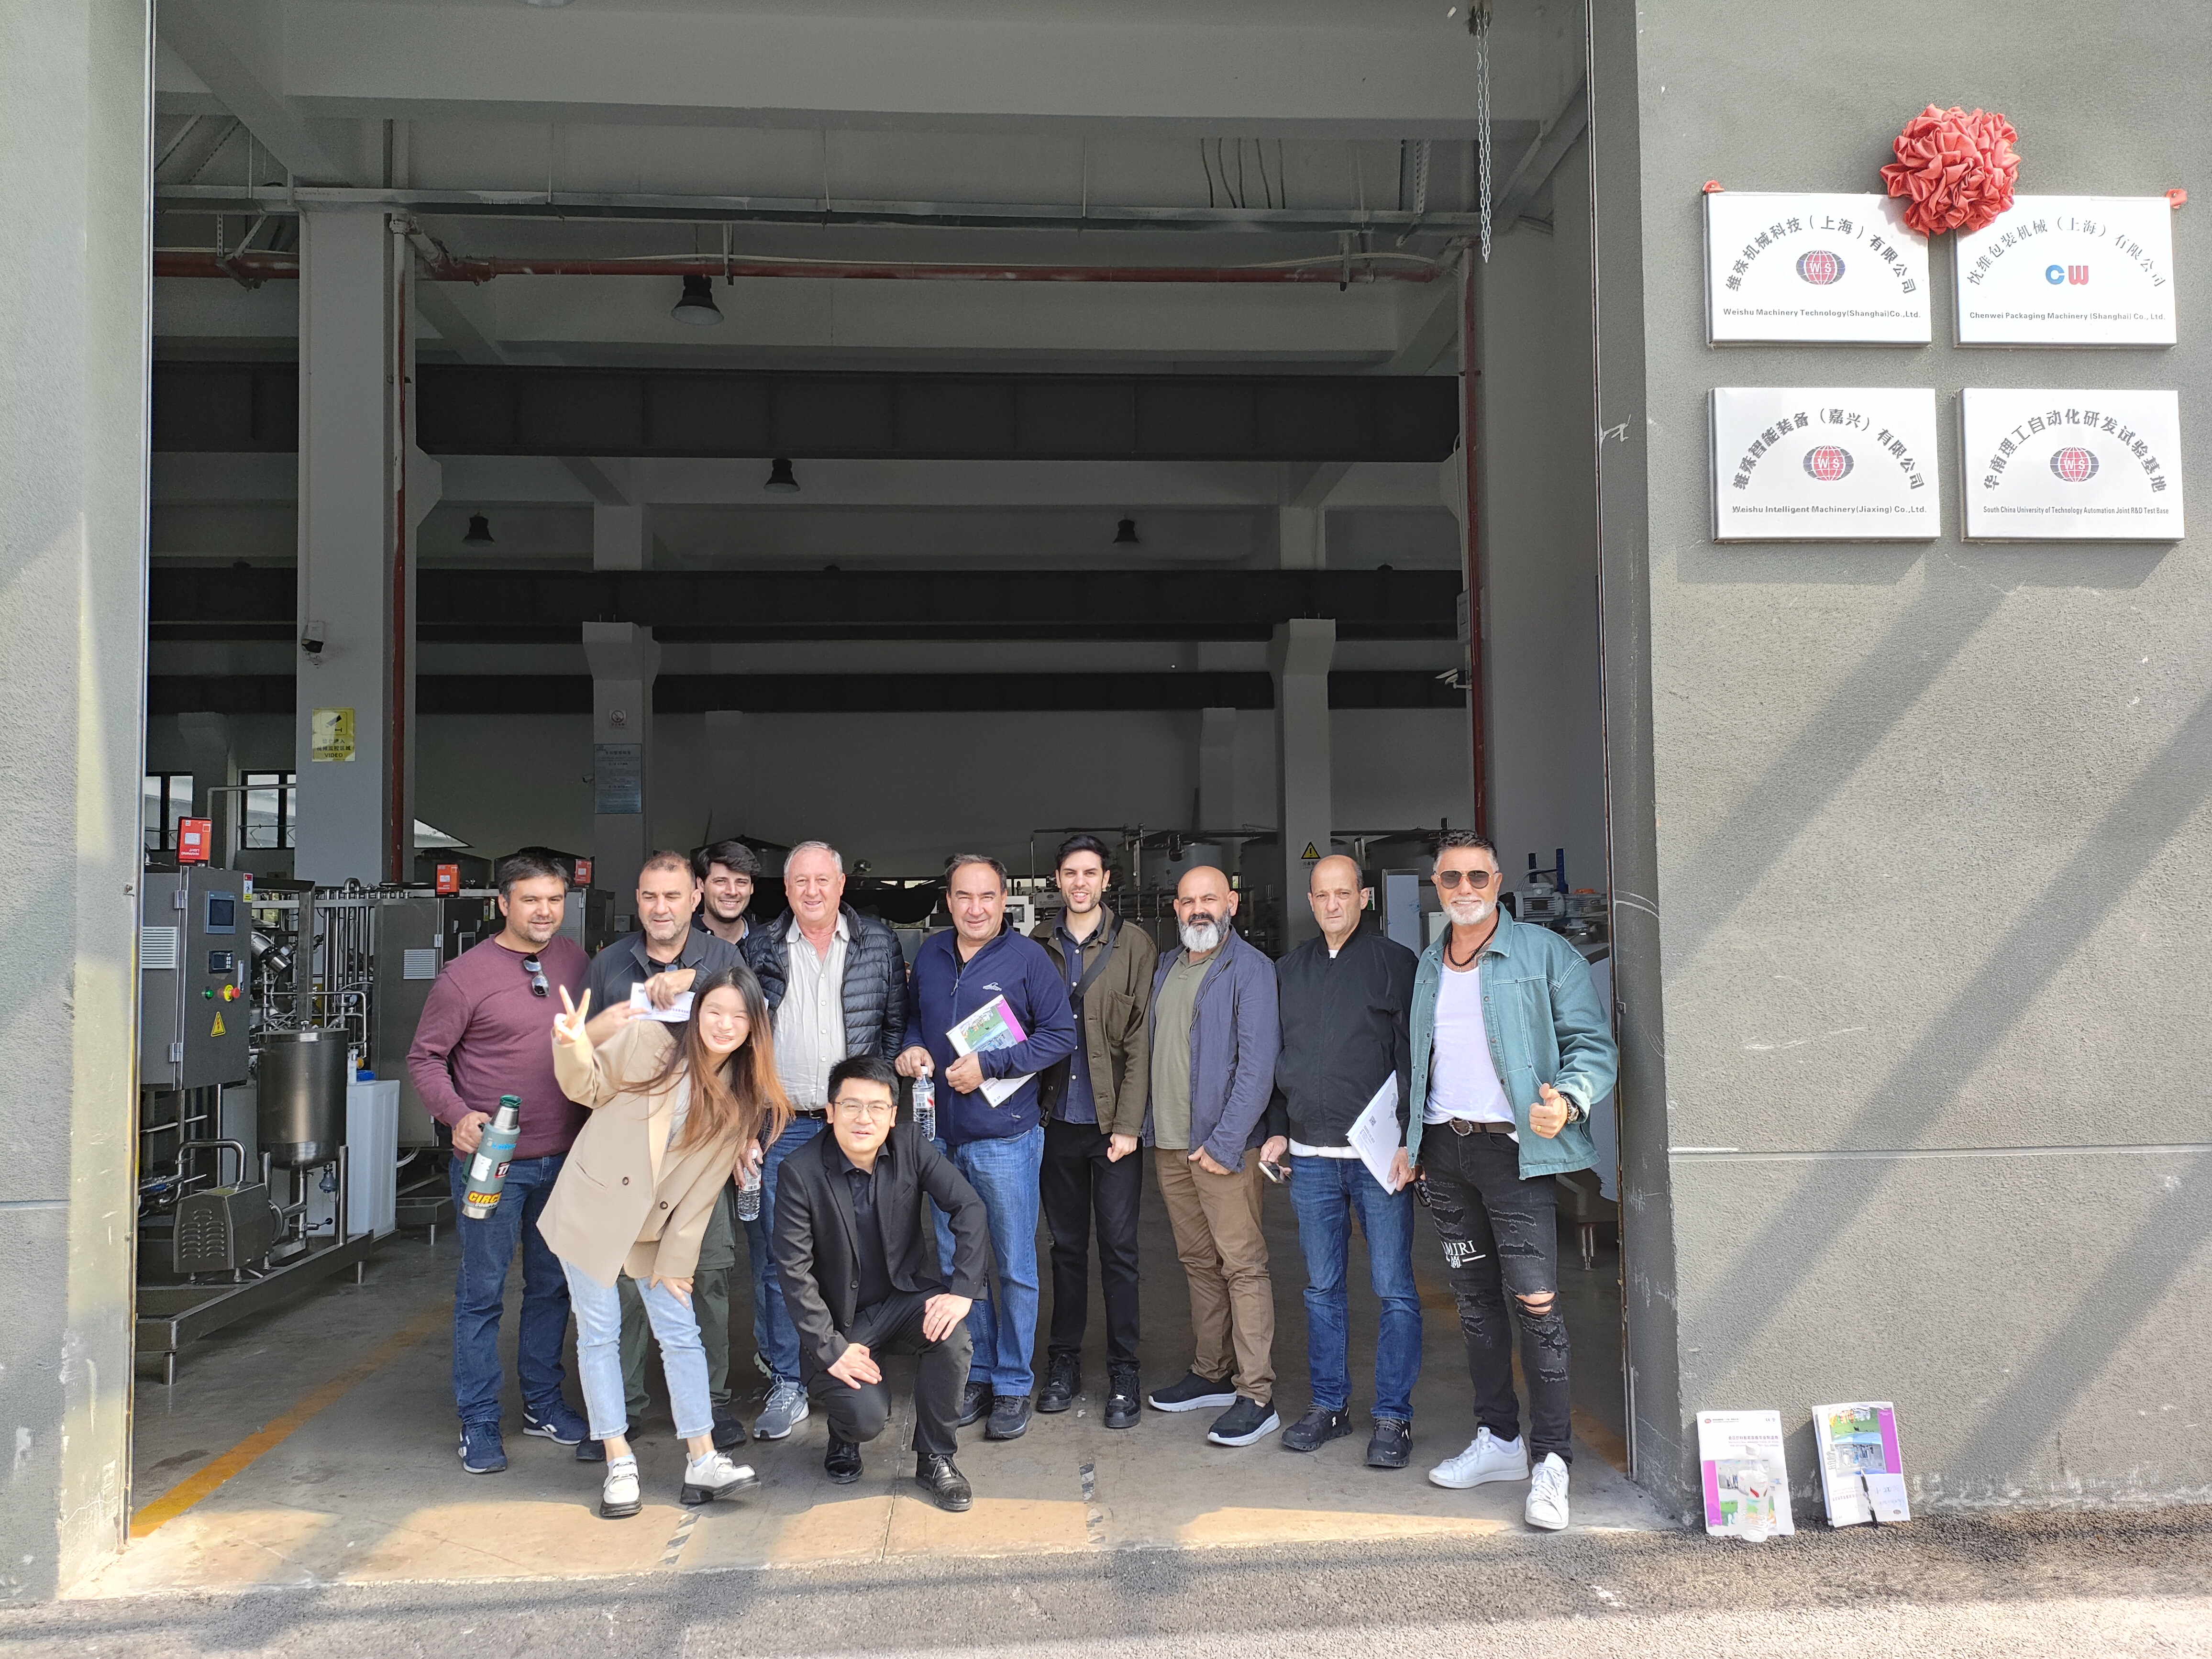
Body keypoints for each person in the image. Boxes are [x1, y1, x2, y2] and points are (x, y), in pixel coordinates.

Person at [1407, 830, 1618, 1531]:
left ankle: (1552, 1461)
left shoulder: (1544, 954)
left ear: (1497, 882)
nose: (1463, 890)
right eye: (1449, 880)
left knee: (1535, 1302)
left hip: (1514, 1154)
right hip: (1445, 1153)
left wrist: (1571, 1099)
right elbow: (1425, 1064)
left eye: (1476, 877)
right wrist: (1412, 1144)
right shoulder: (1428, 965)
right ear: (1436, 889)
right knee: (1474, 1304)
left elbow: (1594, 1045)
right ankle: (1499, 1439)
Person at [541, 966, 787, 1519]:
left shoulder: (740, 1098)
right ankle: (618, 1460)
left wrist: (678, 1260)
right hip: (593, 1212)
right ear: (695, 1013)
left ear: (754, 1029)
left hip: (655, 1229)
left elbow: (701, 1191)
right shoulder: (650, 1043)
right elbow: (587, 1086)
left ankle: (702, 1458)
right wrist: (571, 1042)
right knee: (599, 1336)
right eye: (713, 1011)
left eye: (739, 1017)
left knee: (682, 1333)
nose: (724, 1025)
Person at [406, 850, 590, 1474]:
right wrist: (456, 1116)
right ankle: (479, 1422)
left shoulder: (573, 960)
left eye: (555, 900)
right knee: (482, 1292)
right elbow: (425, 1059)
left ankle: (542, 1404)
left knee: (552, 1286)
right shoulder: (464, 977)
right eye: (532, 900)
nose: (545, 911)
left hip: (564, 1160)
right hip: (494, 1163)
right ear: (503, 904)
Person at [896, 853, 1078, 1441]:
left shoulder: (1028, 960)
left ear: (1005, 901)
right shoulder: (929, 954)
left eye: (988, 897)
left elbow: (1059, 1036)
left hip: (1005, 1140)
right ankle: (973, 1373)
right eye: (963, 897)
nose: (976, 908)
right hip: (940, 1140)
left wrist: (991, 1063)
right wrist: (912, 1050)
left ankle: (1013, 1383)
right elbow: (911, 1020)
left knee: (1014, 1265)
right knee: (956, 1265)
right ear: (947, 901)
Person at [578, 852, 751, 1458]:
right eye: (650, 896)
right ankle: (619, 1413)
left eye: (673, 896)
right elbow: (591, 1057)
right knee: (621, 1284)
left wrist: (741, 1134)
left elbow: (747, 1051)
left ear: (695, 898)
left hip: (700, 1149)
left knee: (703, 1277)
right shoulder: (609, 965)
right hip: (626, 1156)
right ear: (638, 898)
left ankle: (712, 1406)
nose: (660, 908)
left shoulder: (724, 961)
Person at [738, 840, 909, 1440]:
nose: (812, 891)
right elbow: (738, 1043)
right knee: (779, 1263)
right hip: (782, 1124)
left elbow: (892, 1030)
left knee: (861, 1254)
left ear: (841, 885)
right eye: (800, 882)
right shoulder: (758, 945)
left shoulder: (878, 943)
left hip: (854, 1125)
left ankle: (852, 1366)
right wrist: (747, 1126)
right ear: (786, 891)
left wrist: (878, 1114)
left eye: (822, 880)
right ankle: (787, 1380)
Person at [773, 1055, 994, 1513]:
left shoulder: (911, 1144)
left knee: (952, 1337)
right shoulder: (801, 1170)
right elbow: (793, 1272)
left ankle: (936, 1457)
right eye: (851, 1106)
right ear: (830, 1111)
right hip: (841, 1321)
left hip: (904, 1299)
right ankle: (843, 1434)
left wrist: (962, 1290)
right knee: (867, 1417)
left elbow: (968, 1207)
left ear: (894, 1115)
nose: (864, 1118)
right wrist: (830, 1348)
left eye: (877, 1108)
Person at [1259, 855, 1421, 1468]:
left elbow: (1413, 1058)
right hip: (1311, 1157)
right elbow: (1279, 1062)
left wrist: (1411, 1140)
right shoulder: (1288, 971)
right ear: (1311, 899)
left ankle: (1392, 1418)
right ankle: (1330, 1405)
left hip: (1380, 1158)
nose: (1332, 904)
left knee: (1394, 1289)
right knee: (1321, 1289)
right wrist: (1276, 1132)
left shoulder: (1394, 964)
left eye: (1343, 893)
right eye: (1322, 894)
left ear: (1364, 897)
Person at [1143, 865, 1282, 1448]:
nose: (1198, 910)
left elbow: (1257, 1065)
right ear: (1175, 908)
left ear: (1232, 902)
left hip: (1222, 1148)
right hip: (1172, 1144)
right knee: (1198, 1264)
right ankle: (1211, 1373)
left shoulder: (1250, 970)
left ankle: (1257, 1394)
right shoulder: (1167, 967)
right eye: (1187, 901)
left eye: (1209, 899)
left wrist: (1225, 1145)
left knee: (1242, 1267)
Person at [1029, 833, 1157, 1430]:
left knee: (1121, 1250)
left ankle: (1124, 1368)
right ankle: (1063, 1362)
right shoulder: (1033, 946)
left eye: (1091, 873)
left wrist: (1129, 1126)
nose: (1080, 883)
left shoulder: (1134, 946)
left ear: (1107, 880)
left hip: (1113, 1131)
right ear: (1058, 880)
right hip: (1055, 1123)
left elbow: (1141, 1041)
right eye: (1070, 873)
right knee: (1066, 1249)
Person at [694, 839, 760, 948]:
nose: (732, 892)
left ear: (752, 888)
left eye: (741, 882)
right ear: (701, 884)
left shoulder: (768, 943)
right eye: (721, 881)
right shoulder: (682, 940)